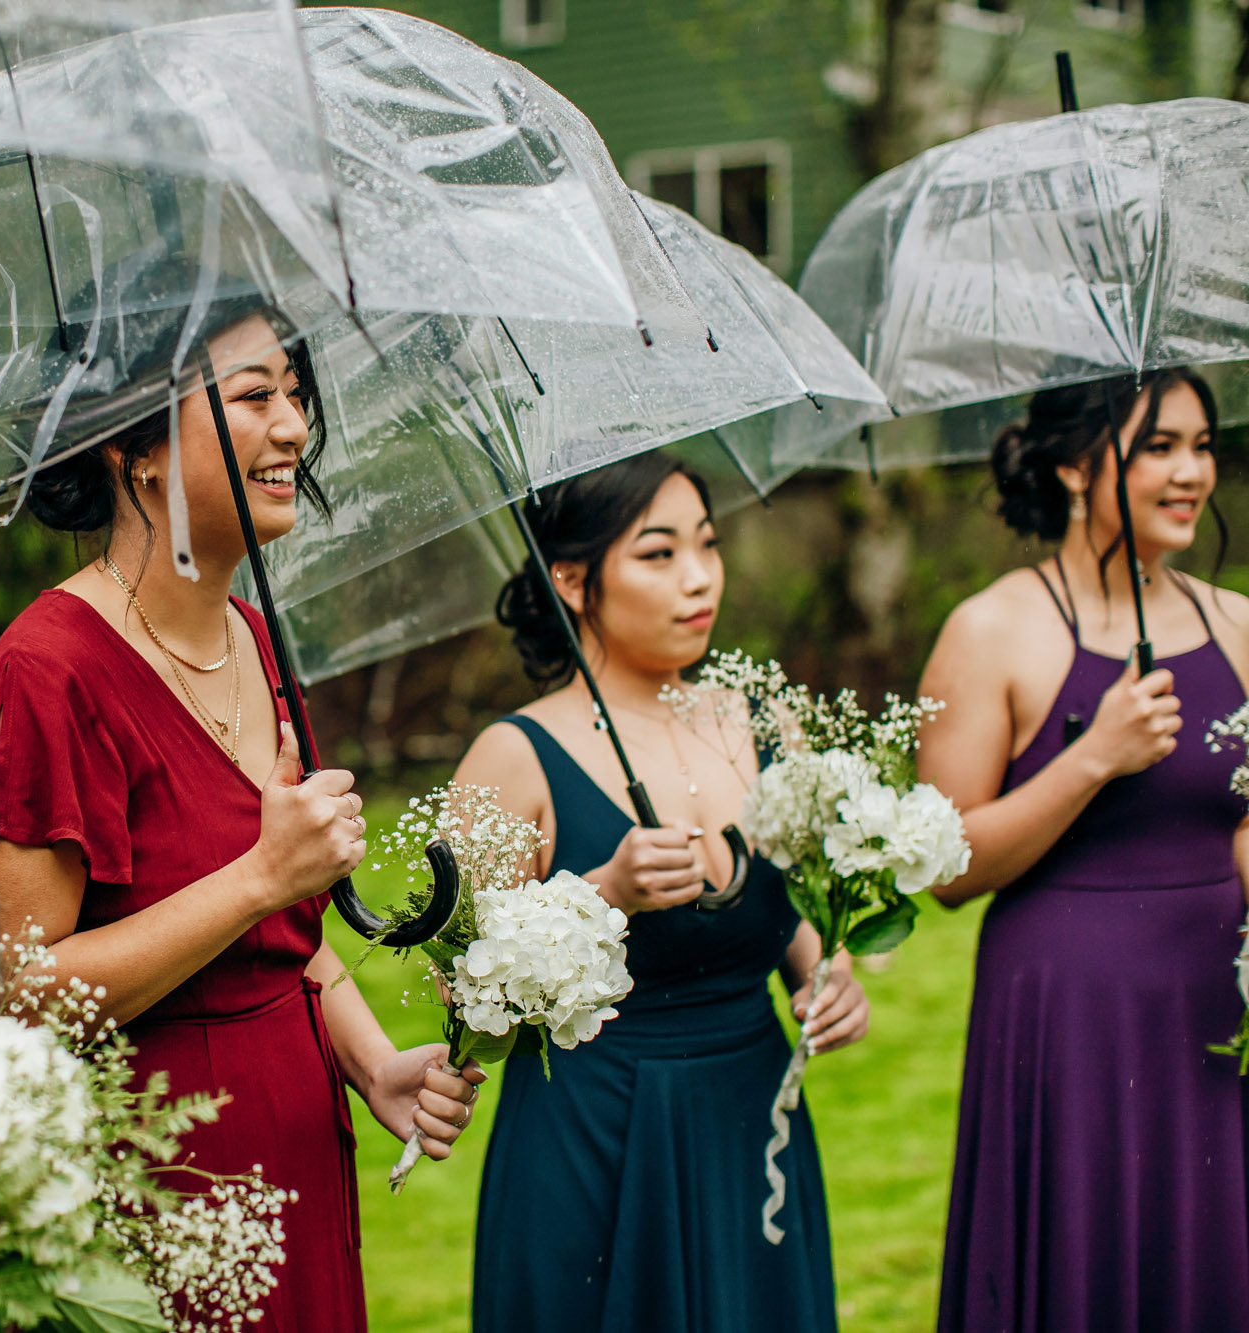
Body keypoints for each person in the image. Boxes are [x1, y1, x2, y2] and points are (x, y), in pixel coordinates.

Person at [0, 298, 484, 1332]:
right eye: (252, 397)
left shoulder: (252, 636)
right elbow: (17, 994)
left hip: (297, 1148)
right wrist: (256, 877)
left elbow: (282, 944)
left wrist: (373, 1061)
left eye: (294, 394)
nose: (293, 427)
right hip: (159, 1177)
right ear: (133, 449)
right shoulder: (45, 675)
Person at [457, 454, 865, 1332]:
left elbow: (783, 900)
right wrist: (604, 891)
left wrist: (821, 969)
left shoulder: (758, 718)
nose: (699, 577)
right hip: (591, 1133)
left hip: (752, 1116)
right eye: (658, 553)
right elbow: (469, 1007)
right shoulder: (513, 755)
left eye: (708, 545)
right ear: (572, 579)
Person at [923, 369, 1249, 1332]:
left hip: (1216, 1005)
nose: (1192, 471)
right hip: (1068, 1015)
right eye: (1159, 446)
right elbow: (942, 870)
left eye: (1202, 444)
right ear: (1074, 465)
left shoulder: (1238, 625)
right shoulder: (993, 630)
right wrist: (1093, 760)